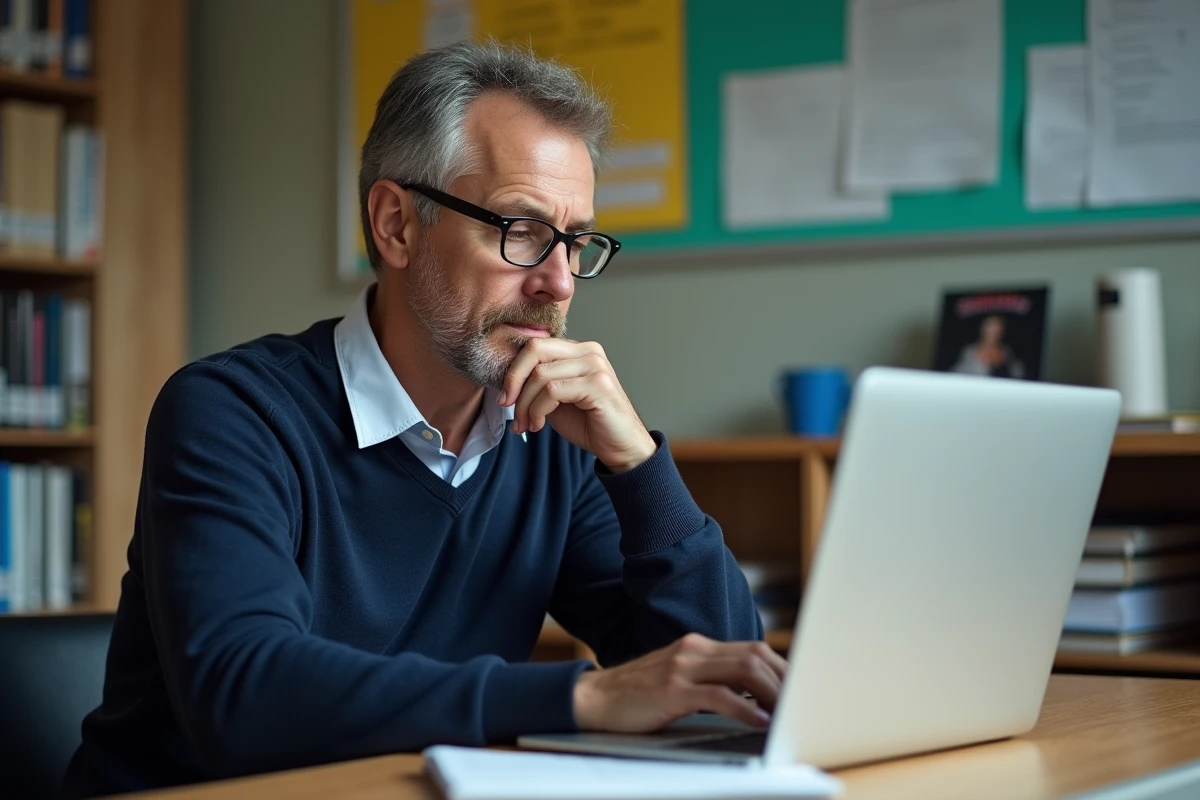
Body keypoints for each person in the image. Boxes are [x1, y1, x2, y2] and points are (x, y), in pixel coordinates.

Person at [63, 40, 781, 797]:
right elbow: (241, 692)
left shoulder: (551, 439)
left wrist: (639, 469)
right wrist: (584, 698)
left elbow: (726, 690)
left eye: (576, 242)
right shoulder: (232, 412)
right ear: (397, 225)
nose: (560, 282)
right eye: (522, 230)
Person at [951, 314, 1026, 379]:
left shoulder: (1007, 352)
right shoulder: (969, 351)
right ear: (982, 329)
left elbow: (1018, 374)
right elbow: (956, 374)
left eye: (997, 328)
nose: (994, 332)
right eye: (990, 327)